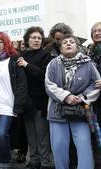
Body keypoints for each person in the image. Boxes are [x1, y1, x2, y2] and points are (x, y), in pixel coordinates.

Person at [45, 34, 100, 169]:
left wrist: (80, 99)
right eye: (65, 43)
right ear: (61, 48)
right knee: (59, 147)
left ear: (77, 46)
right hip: (57, 110)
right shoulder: (53, 64)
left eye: (71, 42)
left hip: (81, 109)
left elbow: (96, 84)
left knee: (84, 146)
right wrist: (66, 96)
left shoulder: (88, 63)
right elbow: (48, 84)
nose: (68, 44)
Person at [0, 32, 27, 168]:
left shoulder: (14, 59)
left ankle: (4, 161)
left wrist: (18, 106)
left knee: (2, 133)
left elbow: (21, 84)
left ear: (6, 43)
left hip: (7, 105)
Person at [17, 26, 54, 169]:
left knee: (42, 135)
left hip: (40, 102)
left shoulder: (46, 56)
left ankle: (45, 162)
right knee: (30, 135)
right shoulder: (22, 55)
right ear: (27, 40)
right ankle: (34, 161)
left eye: (39, 38)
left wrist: (27, 65)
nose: (37, 40)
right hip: (26, 103)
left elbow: (44, 76)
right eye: (33, 37)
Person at [87, 21, 101, 168]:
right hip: (93, 100)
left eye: (100, 30)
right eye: (94, 31)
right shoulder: (89, 52)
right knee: (95, 131)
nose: (97, 33)